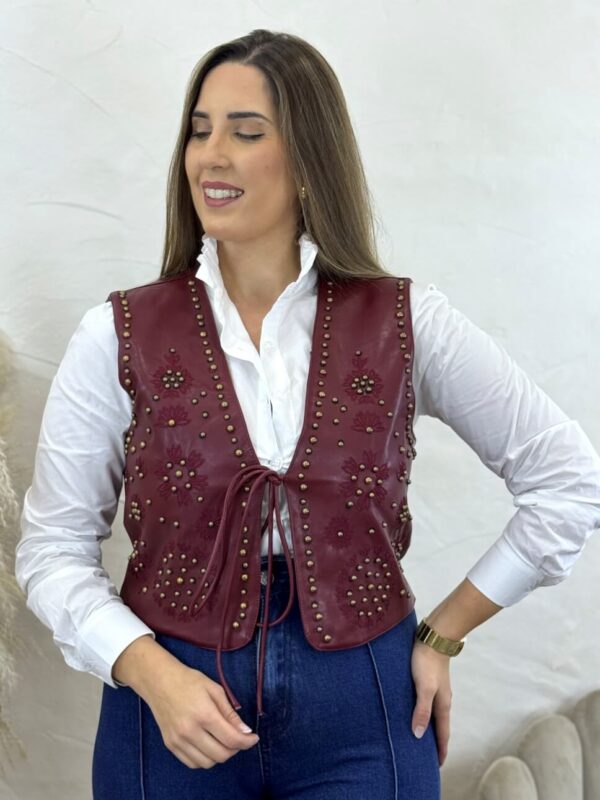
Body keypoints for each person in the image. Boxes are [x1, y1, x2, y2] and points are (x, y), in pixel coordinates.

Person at [15, 28, 600, 800]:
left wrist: (442, 633)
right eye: (199, 130)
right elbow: (51, 550)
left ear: (309, 158)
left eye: (245, 132)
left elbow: (569, 479)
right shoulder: (116, 335)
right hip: (168, 701)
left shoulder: (408, 322)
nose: (210, 155)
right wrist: (149, 671)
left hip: (362, 701)